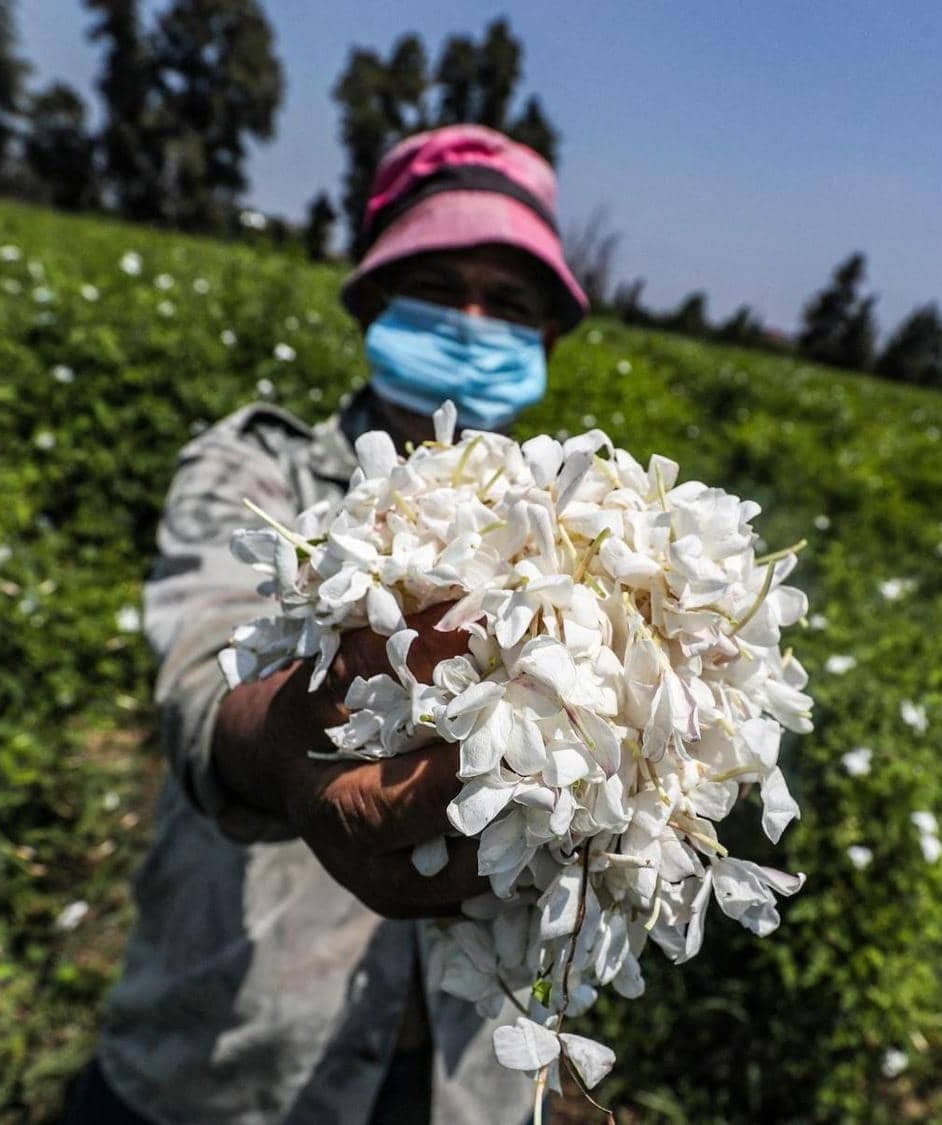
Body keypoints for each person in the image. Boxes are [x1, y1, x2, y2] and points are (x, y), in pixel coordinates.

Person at [62, 124, 590, 1125]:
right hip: (226, 1068)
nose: (472, 322)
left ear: (547, 340)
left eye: (509, 304)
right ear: (371, 303)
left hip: (460, 1086)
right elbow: (200, 674)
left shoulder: (578, 531)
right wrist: (282, 745)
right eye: (436, 287)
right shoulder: (262, 474)